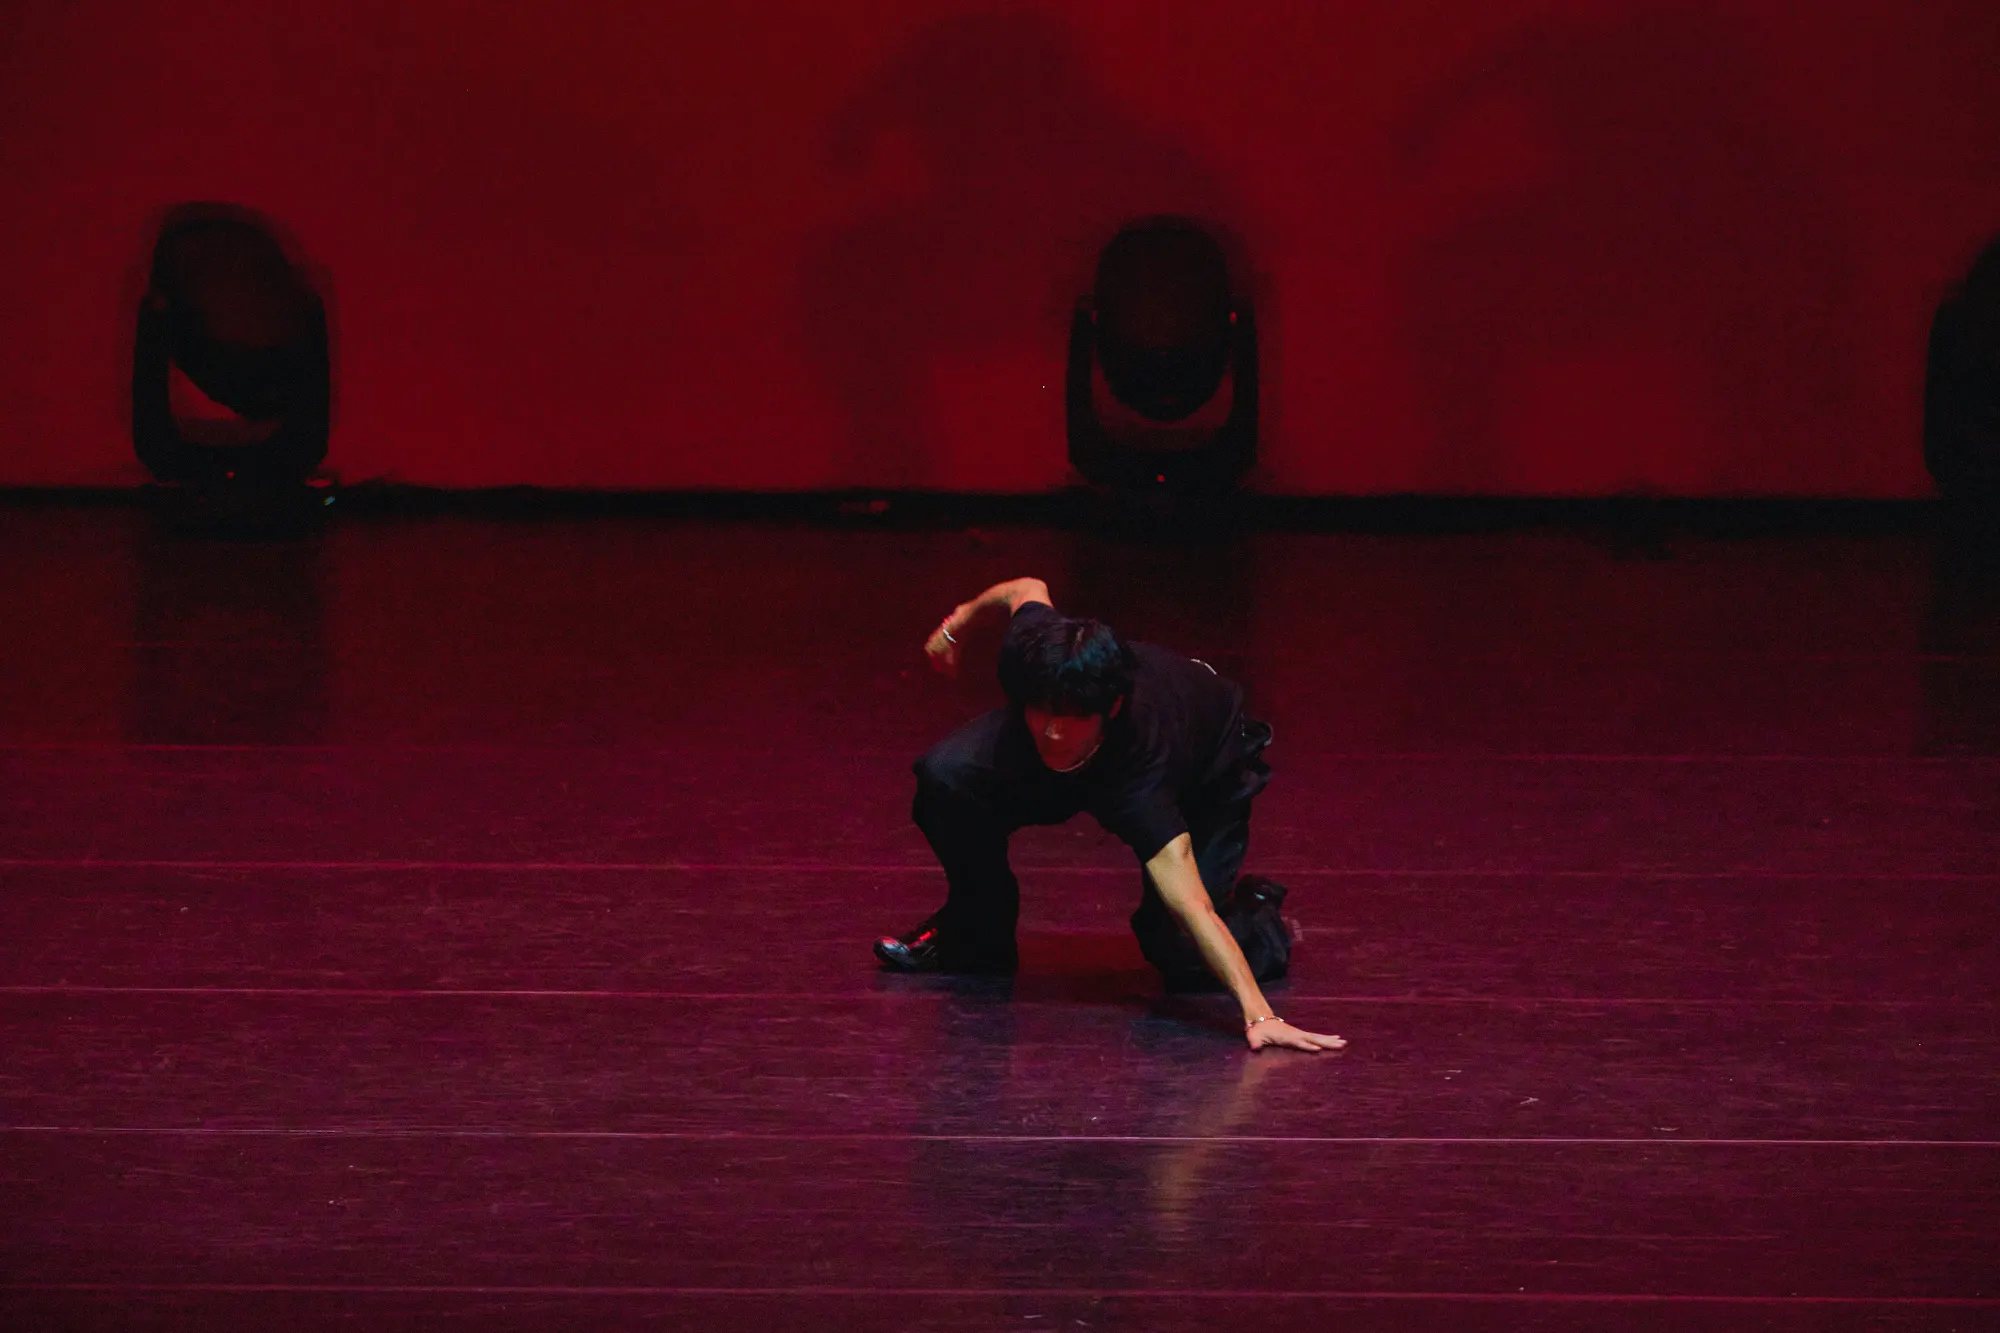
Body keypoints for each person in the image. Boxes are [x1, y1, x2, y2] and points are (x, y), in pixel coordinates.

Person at [875, 577, 1344, 1054]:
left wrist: (1260, 1014)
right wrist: (958, 623)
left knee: (1175, 944)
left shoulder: (1144, 768)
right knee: (948, 775)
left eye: (1071, 718)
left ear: (1111, 710)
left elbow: (1191, 904)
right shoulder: (1036, 649)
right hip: (1079, 756)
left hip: (1205, 767)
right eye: (1041, 710)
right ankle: (976, 933)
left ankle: (1260, 919)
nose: (1052, 732)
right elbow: (1025, 588)